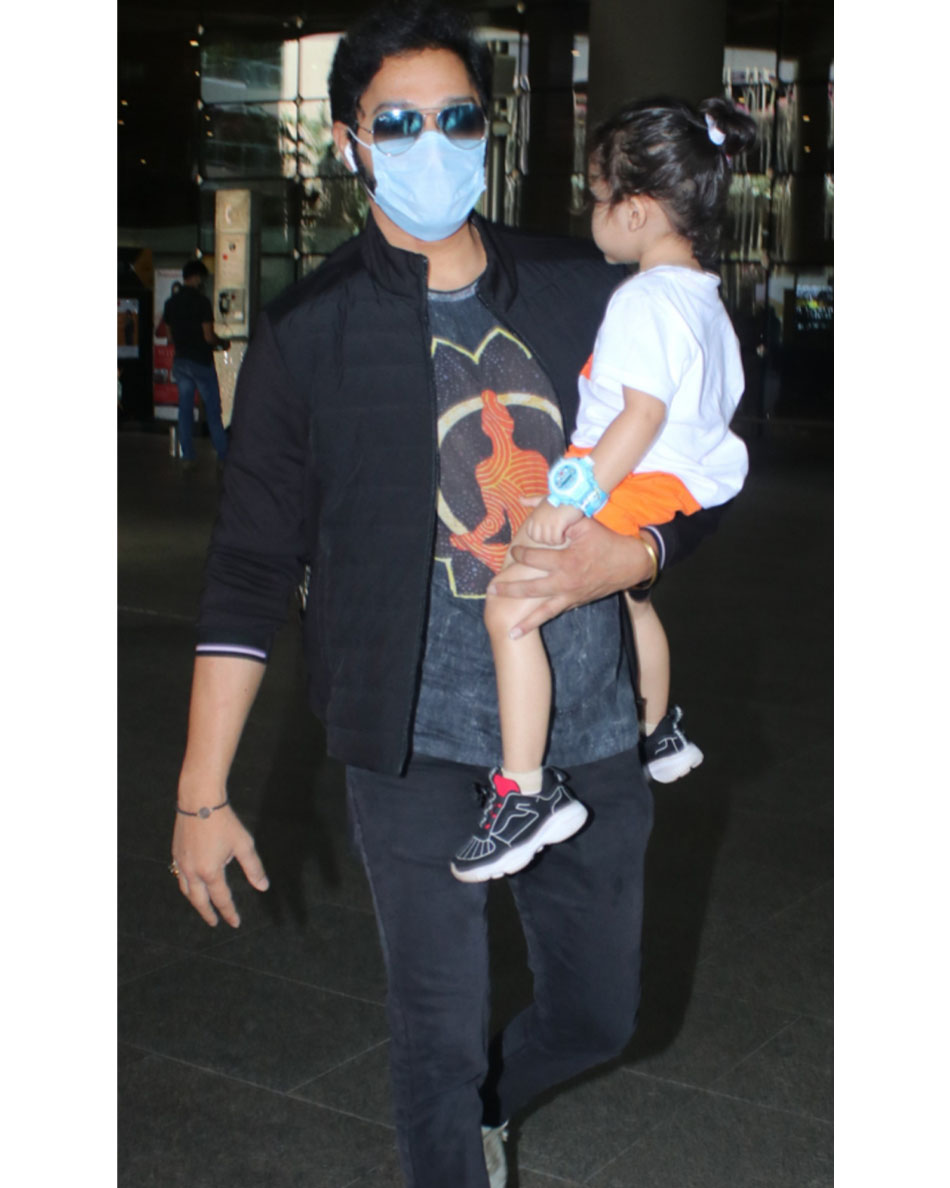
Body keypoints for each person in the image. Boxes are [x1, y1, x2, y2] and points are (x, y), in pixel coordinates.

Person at [168, 4, 733, 1185]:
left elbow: (696, 461)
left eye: (457, 116)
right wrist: (200, 793)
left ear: (489, 129)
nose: (431, 143)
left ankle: (492, 1107)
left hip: (584, 725)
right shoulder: (309, 333)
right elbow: (250, 571)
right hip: (413, 741)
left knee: (597, 1016)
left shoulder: (584, 288)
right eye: (397, 122)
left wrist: (634, 558)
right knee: (432, 1045)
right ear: (348, 141)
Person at [450, 96, 756, 883]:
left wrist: (571, 498)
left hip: (634, 476)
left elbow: (639, 416)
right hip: (680, 485)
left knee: (508, 606)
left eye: (595, 197)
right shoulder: (704, 299)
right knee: (635, 598)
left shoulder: (643, 299)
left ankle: (525, 791)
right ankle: (659, 730)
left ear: (637, 209)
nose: (590, 214)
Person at [162, 259, 230, 469]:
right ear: (197, 277)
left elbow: (169, 336)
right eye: (202, 278)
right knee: (212, 409)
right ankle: (224, 454)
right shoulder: (202, 302)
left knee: (185, 409)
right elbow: (208, 337)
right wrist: (222, 343)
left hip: (181, 362)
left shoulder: (170, 303)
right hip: (201, 362)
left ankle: (188, 455)